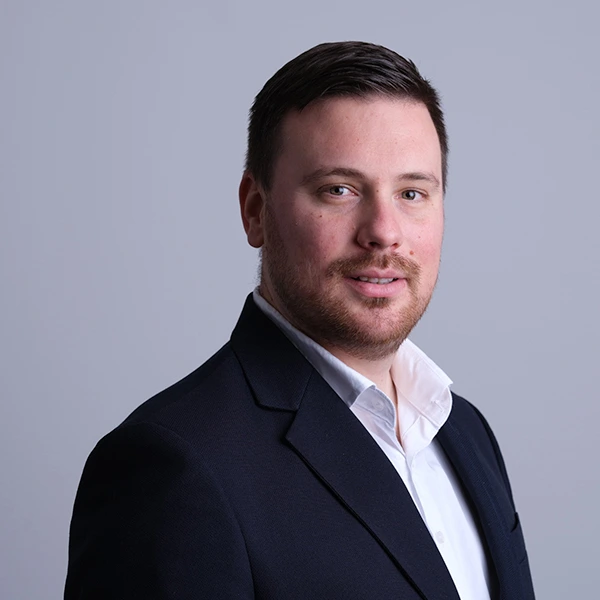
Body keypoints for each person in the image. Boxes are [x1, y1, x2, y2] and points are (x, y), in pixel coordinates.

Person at [65, 41, 535, 599]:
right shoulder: (174, 467)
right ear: (255, 210)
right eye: (339, 190)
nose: (384, 232)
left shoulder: (466, 433)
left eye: (412, 193)